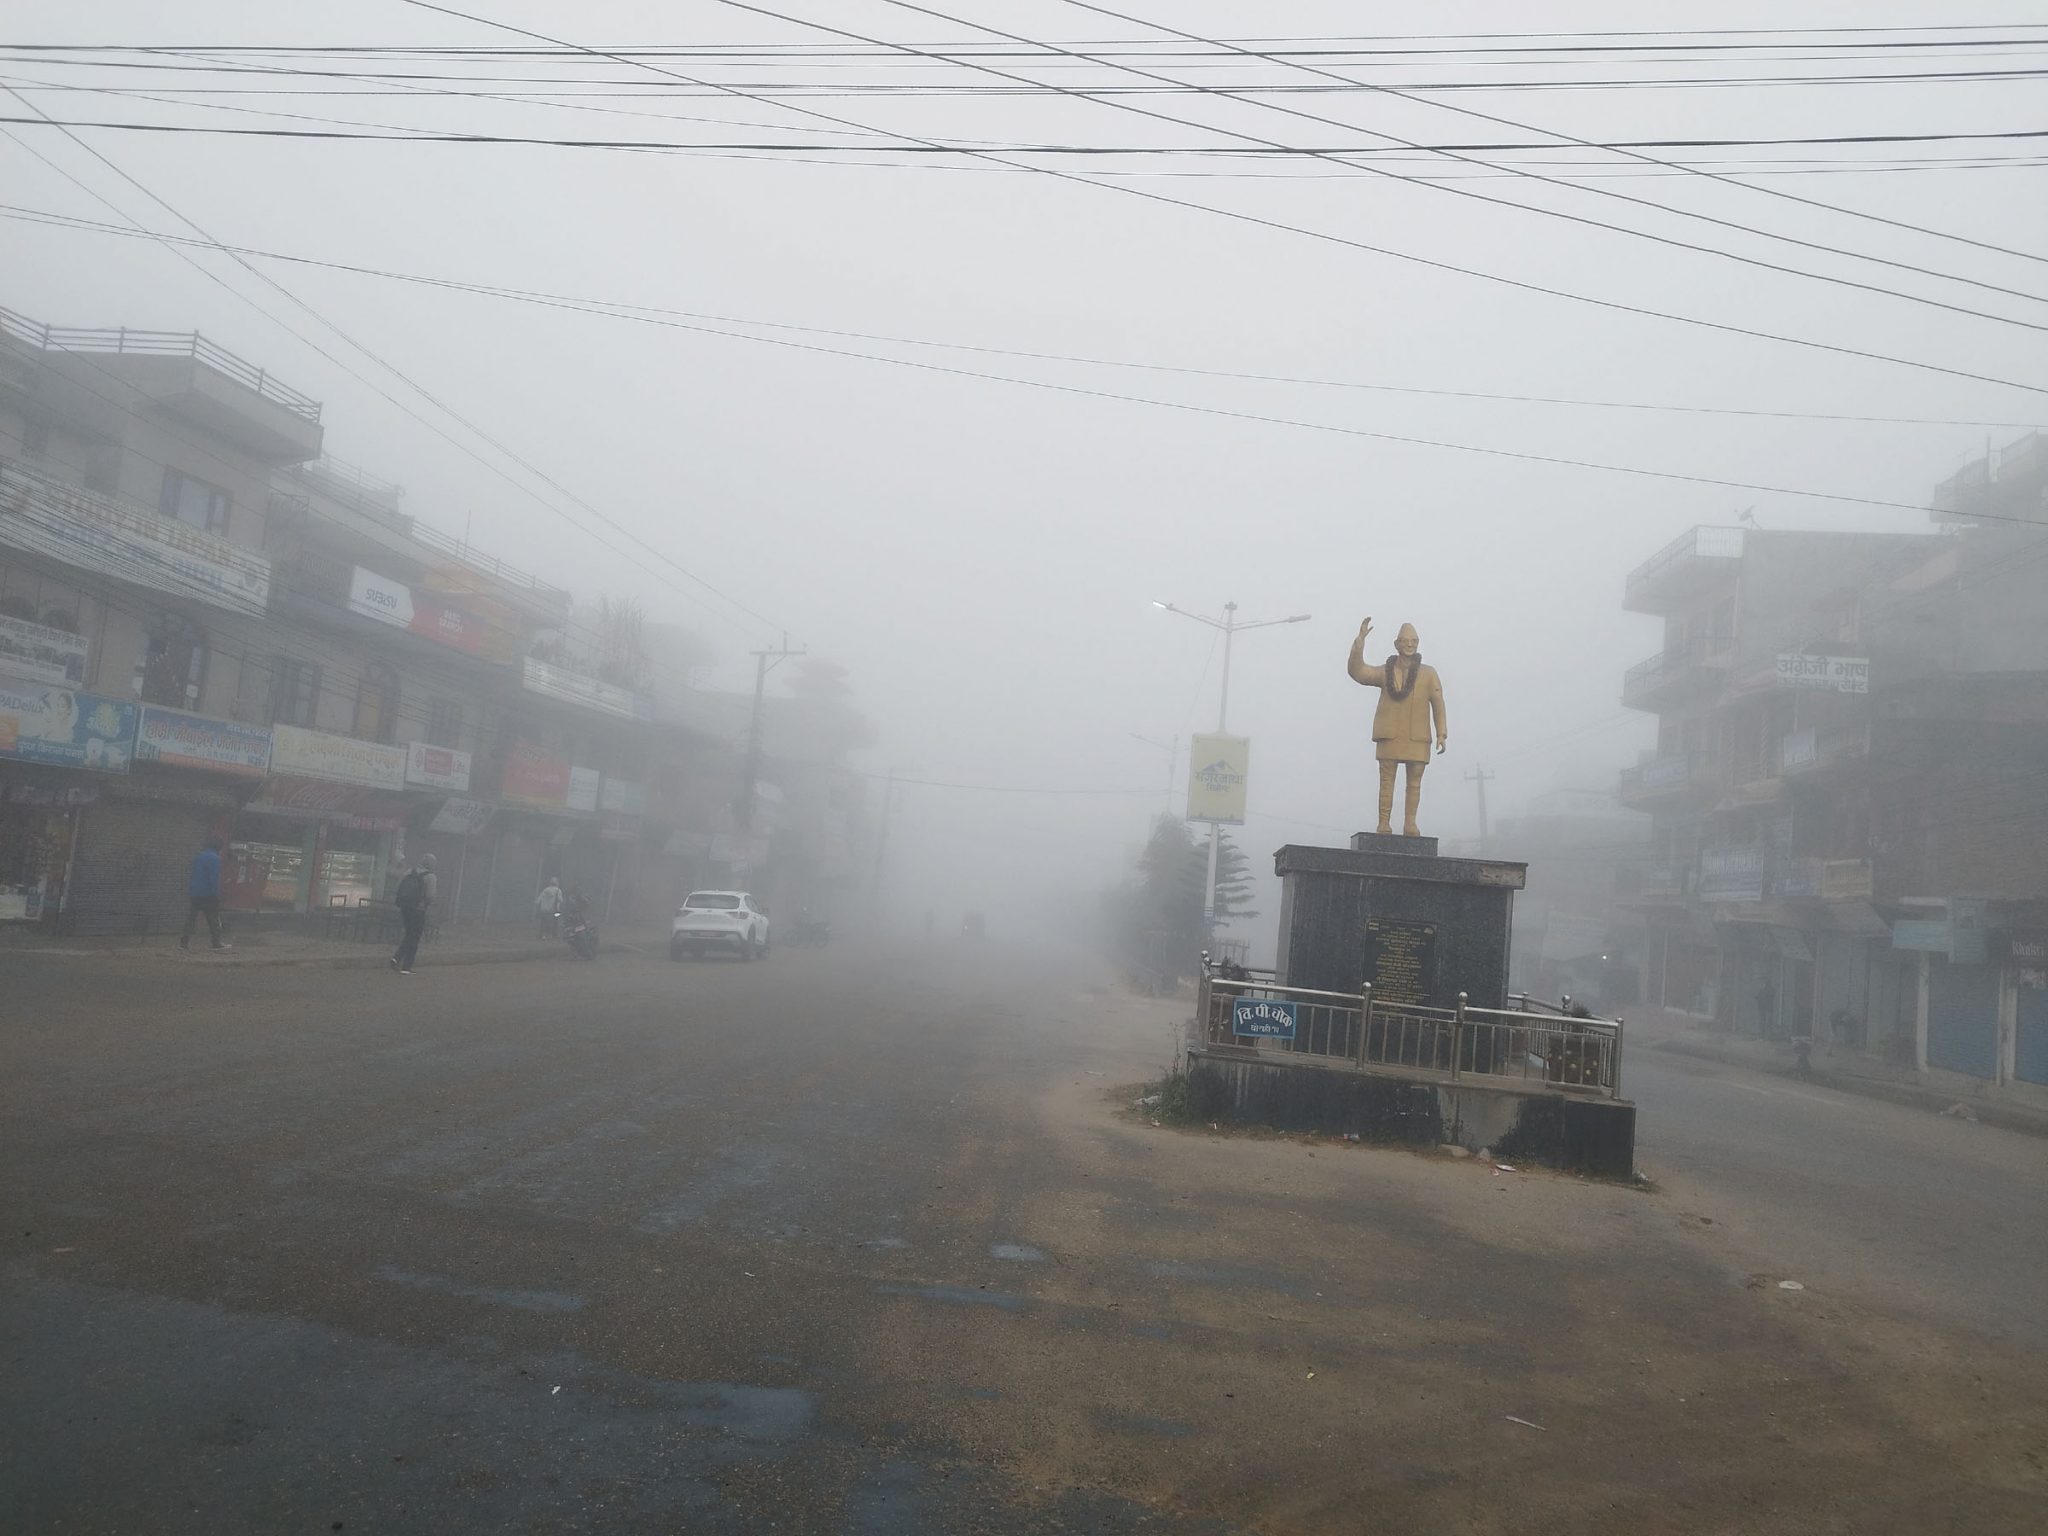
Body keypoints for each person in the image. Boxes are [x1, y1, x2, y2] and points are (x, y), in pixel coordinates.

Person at [179, 836, 230, 951]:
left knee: (191, 918)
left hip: (195, 893)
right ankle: (216, 943)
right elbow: (213, 878)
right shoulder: (215, 859)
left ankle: (183, 943)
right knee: (213, 919)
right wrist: (216, 895)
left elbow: (193, 874)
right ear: (218, 848)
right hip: (208, 894)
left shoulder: (199, 856)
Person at [390, 852, 437, 975]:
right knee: (415, 937)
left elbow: (398, 887)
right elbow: (430, 895)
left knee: (409, 934)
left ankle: (397, 958)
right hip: (418, 910)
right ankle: (406, 966)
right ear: (431, 864)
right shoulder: (431, 876)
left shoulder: (409, 872)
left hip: (405, 908)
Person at [535, 873, 563, 938]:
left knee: (543, 922)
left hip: (543, 909)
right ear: (557, 883)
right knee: (552, 922)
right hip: (552, 910)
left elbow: (538, 900)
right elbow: (560, 900)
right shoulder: (558, 890)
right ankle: (551, 934)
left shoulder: (545, 889)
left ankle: (543, 935)